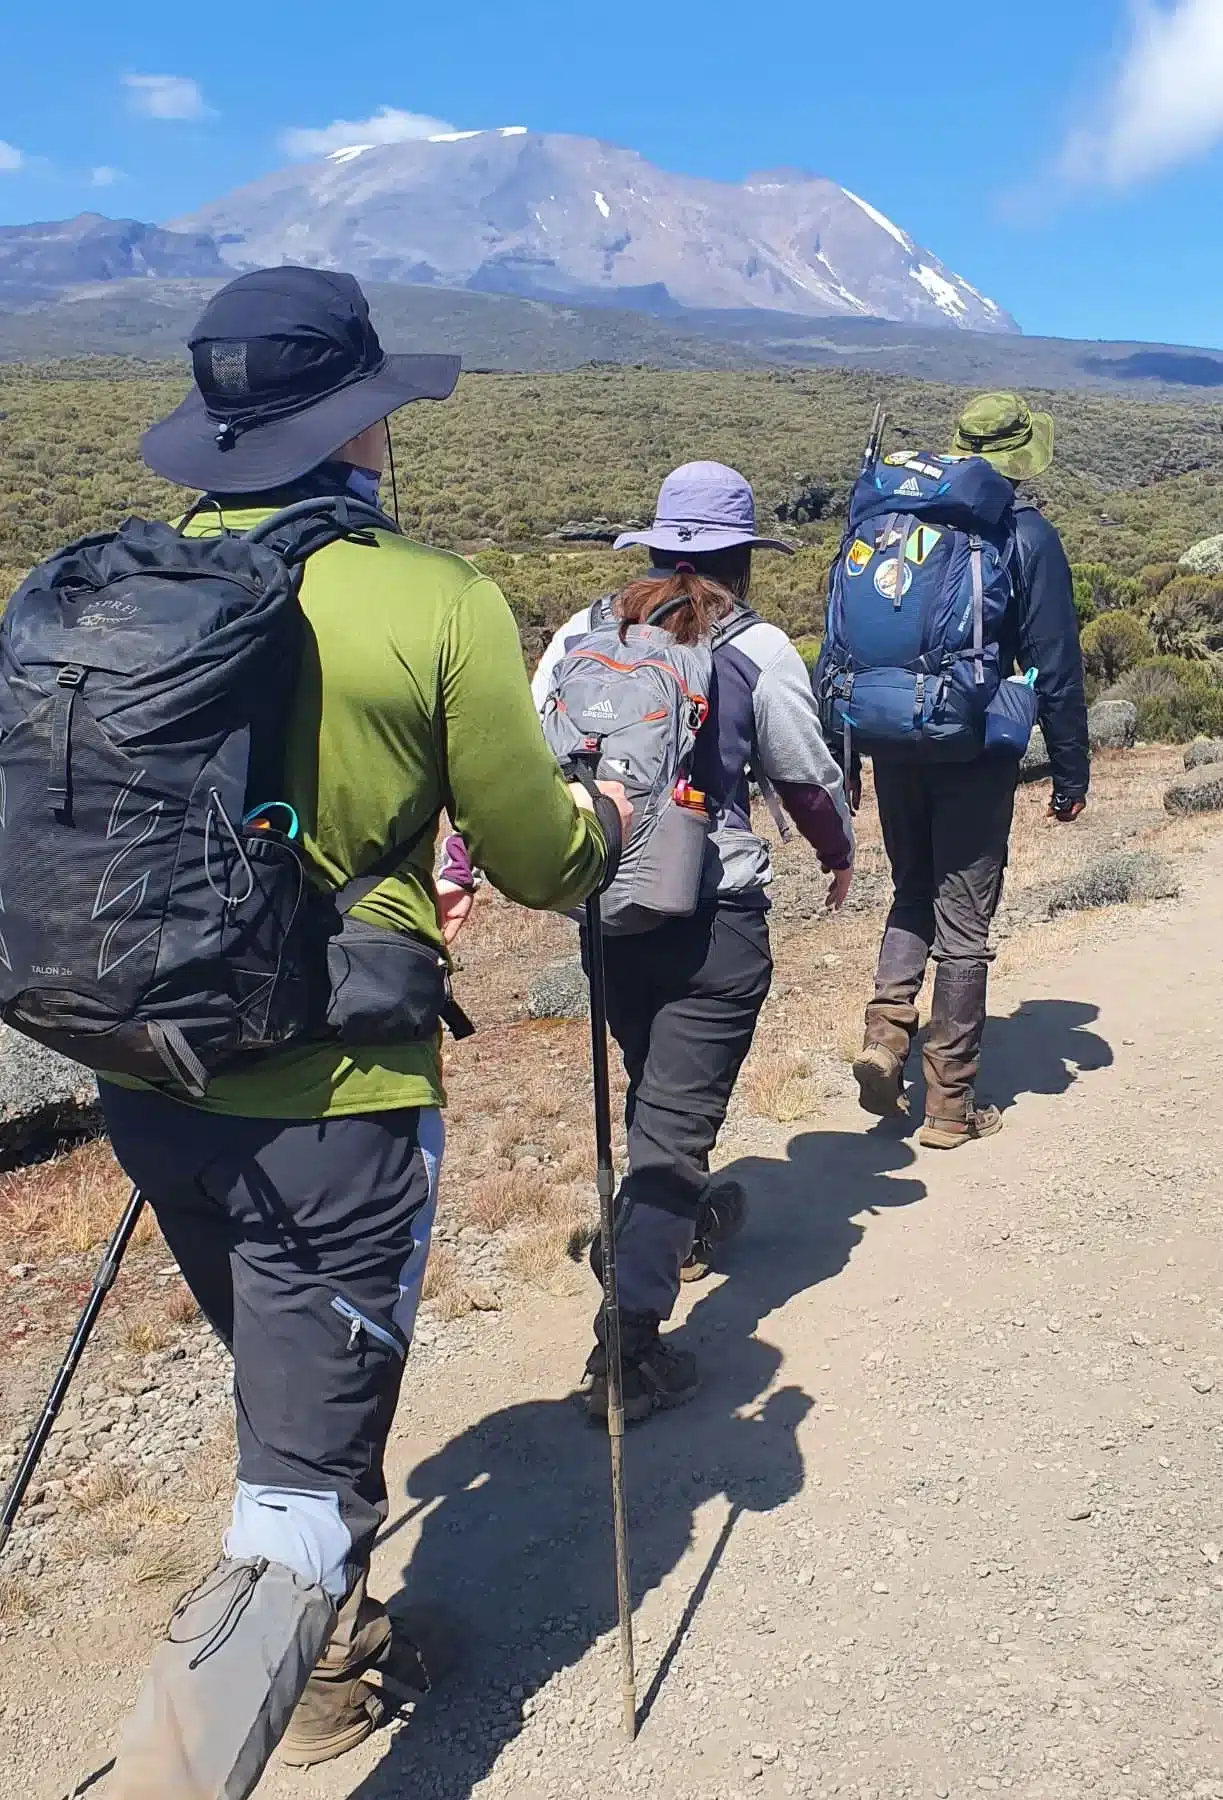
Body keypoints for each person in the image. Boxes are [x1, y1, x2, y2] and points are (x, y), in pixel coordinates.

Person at [95, 267, 629, 1800]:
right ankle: (247, 1721)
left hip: (146, 1073)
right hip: (336, 1095)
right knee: (300, 1485)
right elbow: (537, 860)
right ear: (361, 425)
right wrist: (597, 828)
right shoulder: (436, 599)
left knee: (288, 1395)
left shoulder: (108, 581)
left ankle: (333, 1638)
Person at [536, 462, 854, 1420]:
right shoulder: (757, 649)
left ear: (660, 546)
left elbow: (527, 751)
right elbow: (802, 775)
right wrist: (837, 852)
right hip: (714, 918)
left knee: (656, 1092)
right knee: (674, 1123)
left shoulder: (581, 636)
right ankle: (626, 1351)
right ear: (741, 558)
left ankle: (672, 1223)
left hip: (612, 905)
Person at [852, 392, 1089, 1148]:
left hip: (893, 734)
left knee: (911, 888)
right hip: (978, 747)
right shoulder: (1025, 534)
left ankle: (887, 1033)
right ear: (1025, 457)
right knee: (965, 921)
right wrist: (1070, 770)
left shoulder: (903, 521)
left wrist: (846, 753)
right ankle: (949, 1105)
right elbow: (1056, 664)